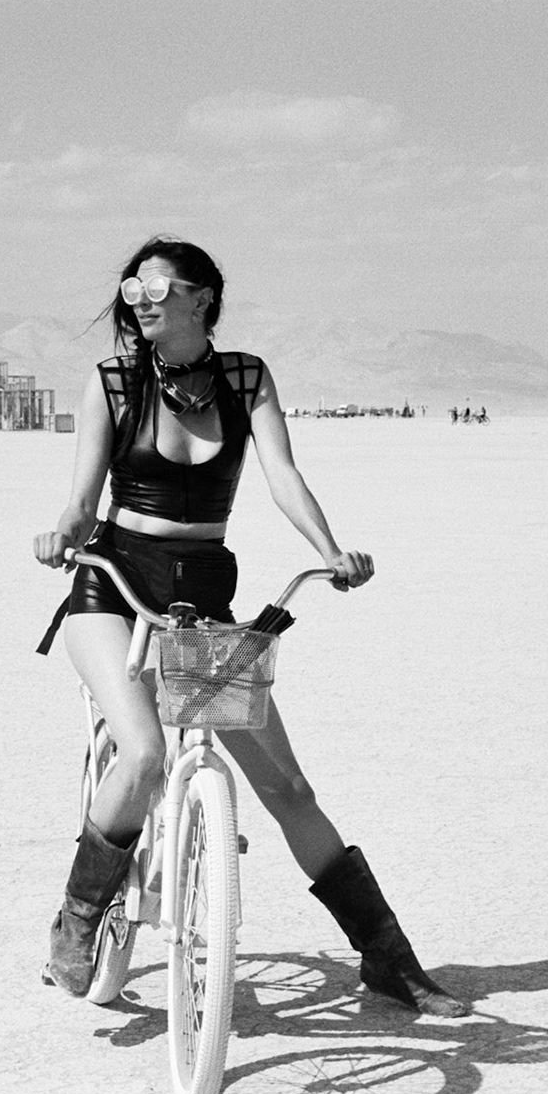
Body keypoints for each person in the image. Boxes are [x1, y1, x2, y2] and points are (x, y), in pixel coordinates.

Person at [31, 237, 468, 1017]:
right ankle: (76, 919)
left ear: (202, 298)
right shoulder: (113, 382)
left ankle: (388, 960)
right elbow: (81, 499)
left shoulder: (246, 379)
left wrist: (330, 552)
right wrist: (62, 533)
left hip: (202, 600)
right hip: (114, 590)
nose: (140, 302)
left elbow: (283, 475)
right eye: (132, 290)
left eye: (157, 289)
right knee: (145, 751)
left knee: (288, 787)